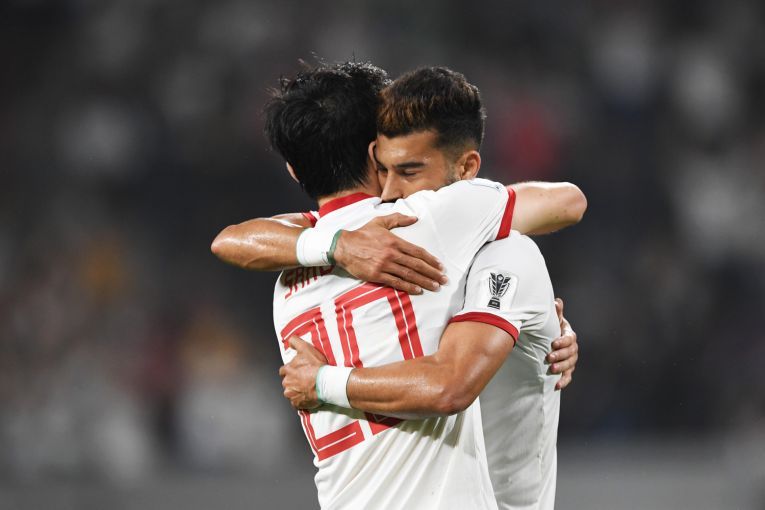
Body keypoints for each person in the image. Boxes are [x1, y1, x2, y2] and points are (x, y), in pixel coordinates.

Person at [213, 62, 582, 509]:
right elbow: (567, 202)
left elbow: (228, 240)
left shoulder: (286, 280)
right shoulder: (433, 217)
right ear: (376, 150)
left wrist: (536, 323)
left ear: (293, 170)